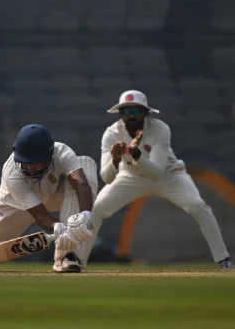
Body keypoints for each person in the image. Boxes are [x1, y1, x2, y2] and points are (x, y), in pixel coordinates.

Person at [79, 90, 232, 269]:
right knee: (97, 208)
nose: (131, 116)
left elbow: (156, 173)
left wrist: (137, 154)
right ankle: (79, 261)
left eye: (136, 111)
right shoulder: (112, 133)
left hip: (170, 175)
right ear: (120, 114)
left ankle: (223, 259)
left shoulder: (160, 129)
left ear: (145, 113)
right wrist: (115, 159)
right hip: (131, 176)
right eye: (126, 111)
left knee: (198, 205)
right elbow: (107, 177)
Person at [0, 124, 98, 273]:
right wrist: (60, 228)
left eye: (36, 162)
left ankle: (67, 256)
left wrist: (85, 215)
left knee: (85, 163)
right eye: (25, 162)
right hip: (16, 205)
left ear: (50, 153)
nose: (30, 168)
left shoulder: (62, 152)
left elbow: (81, 183)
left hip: (53, 194)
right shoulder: (12, 174)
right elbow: (39, 214)